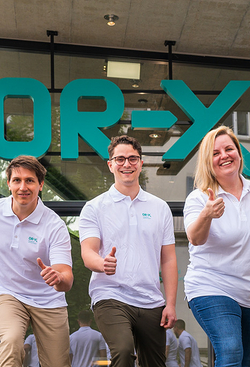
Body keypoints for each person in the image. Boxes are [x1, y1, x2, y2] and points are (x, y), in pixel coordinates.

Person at [182, 125, 250, 367]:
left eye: (229, 149)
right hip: (212, 285)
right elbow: (195, 238)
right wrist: (207, 215)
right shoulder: (199, 198)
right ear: (208, 162)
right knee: (230, 351)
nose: (224, 156)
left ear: (239, 154)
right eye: (215, 153)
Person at [78, 135, 178, 367]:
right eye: (120, 159)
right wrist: (101, 263)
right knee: (123, 352)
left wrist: (170, 304)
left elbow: (169, 259)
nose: (127, 164)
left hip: (150, 300)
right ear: (110, 164)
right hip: (110, 296)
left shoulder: (159, 208)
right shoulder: (94, 208)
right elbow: (88, 252)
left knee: (155, 363)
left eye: (133, 158)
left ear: (141, 163)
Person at [0, 155, 74, 367]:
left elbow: (67, 279)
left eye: (30, 180)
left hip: (48, 299)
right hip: (7, 291)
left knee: (58, 363)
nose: (23, 187)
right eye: (17, 180)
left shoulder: (54, 225)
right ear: (8, 183)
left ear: (41, 185)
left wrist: (58, 278)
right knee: (10, 343)